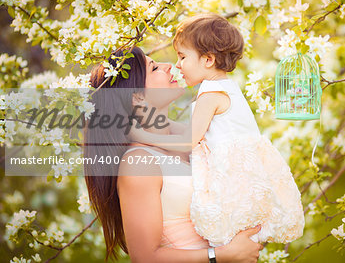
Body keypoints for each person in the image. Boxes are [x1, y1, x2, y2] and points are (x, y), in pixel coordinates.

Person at [129, 14, 305, 248]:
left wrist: (141, 136)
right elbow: (193, 132)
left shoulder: (210, 94)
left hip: (233, 180)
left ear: (208, 60)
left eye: (182, 57)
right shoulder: (225, 88)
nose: (177, 65)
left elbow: (188, 141)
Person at [84, 46, 264, 263]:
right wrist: (222, 255)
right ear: (136, 97)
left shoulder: (191, 137)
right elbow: (144, 257)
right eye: (155, 68)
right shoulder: (139, 163)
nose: (169, 66)